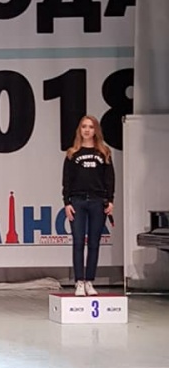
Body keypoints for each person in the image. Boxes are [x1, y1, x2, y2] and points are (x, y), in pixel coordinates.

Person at [62, 115, 114, 297]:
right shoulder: (72, 153)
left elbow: (109, 179)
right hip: (77, 201)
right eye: (84, 126)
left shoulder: (104, 152)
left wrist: (110, 200)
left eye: (91, 127)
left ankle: (89, 281)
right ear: (80, 130)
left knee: (94, 243)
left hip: (98, 202)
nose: (87, 130)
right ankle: (79, 281)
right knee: (78, 242)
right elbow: (66, 181)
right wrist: (67, 203)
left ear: (95, 130)